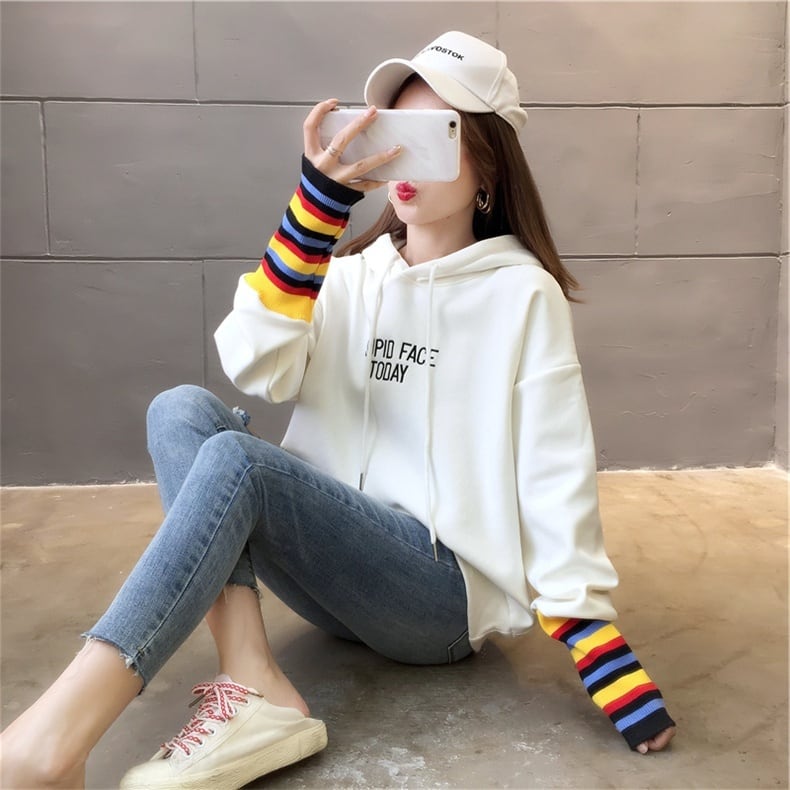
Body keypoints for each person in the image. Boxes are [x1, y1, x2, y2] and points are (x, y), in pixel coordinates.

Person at [0, 30, 676, 790]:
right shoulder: (349, 272)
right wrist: (311, 222)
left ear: (488, 162)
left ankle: (53, 741)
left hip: (436, 598)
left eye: (437, 135)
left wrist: (598, 649)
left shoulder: (522, 294)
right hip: (334, 577)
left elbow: (555, 468)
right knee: (179, 409)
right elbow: (256, 368)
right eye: (395, 132)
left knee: (239, 462)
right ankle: (252, 677)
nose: (406, 161)